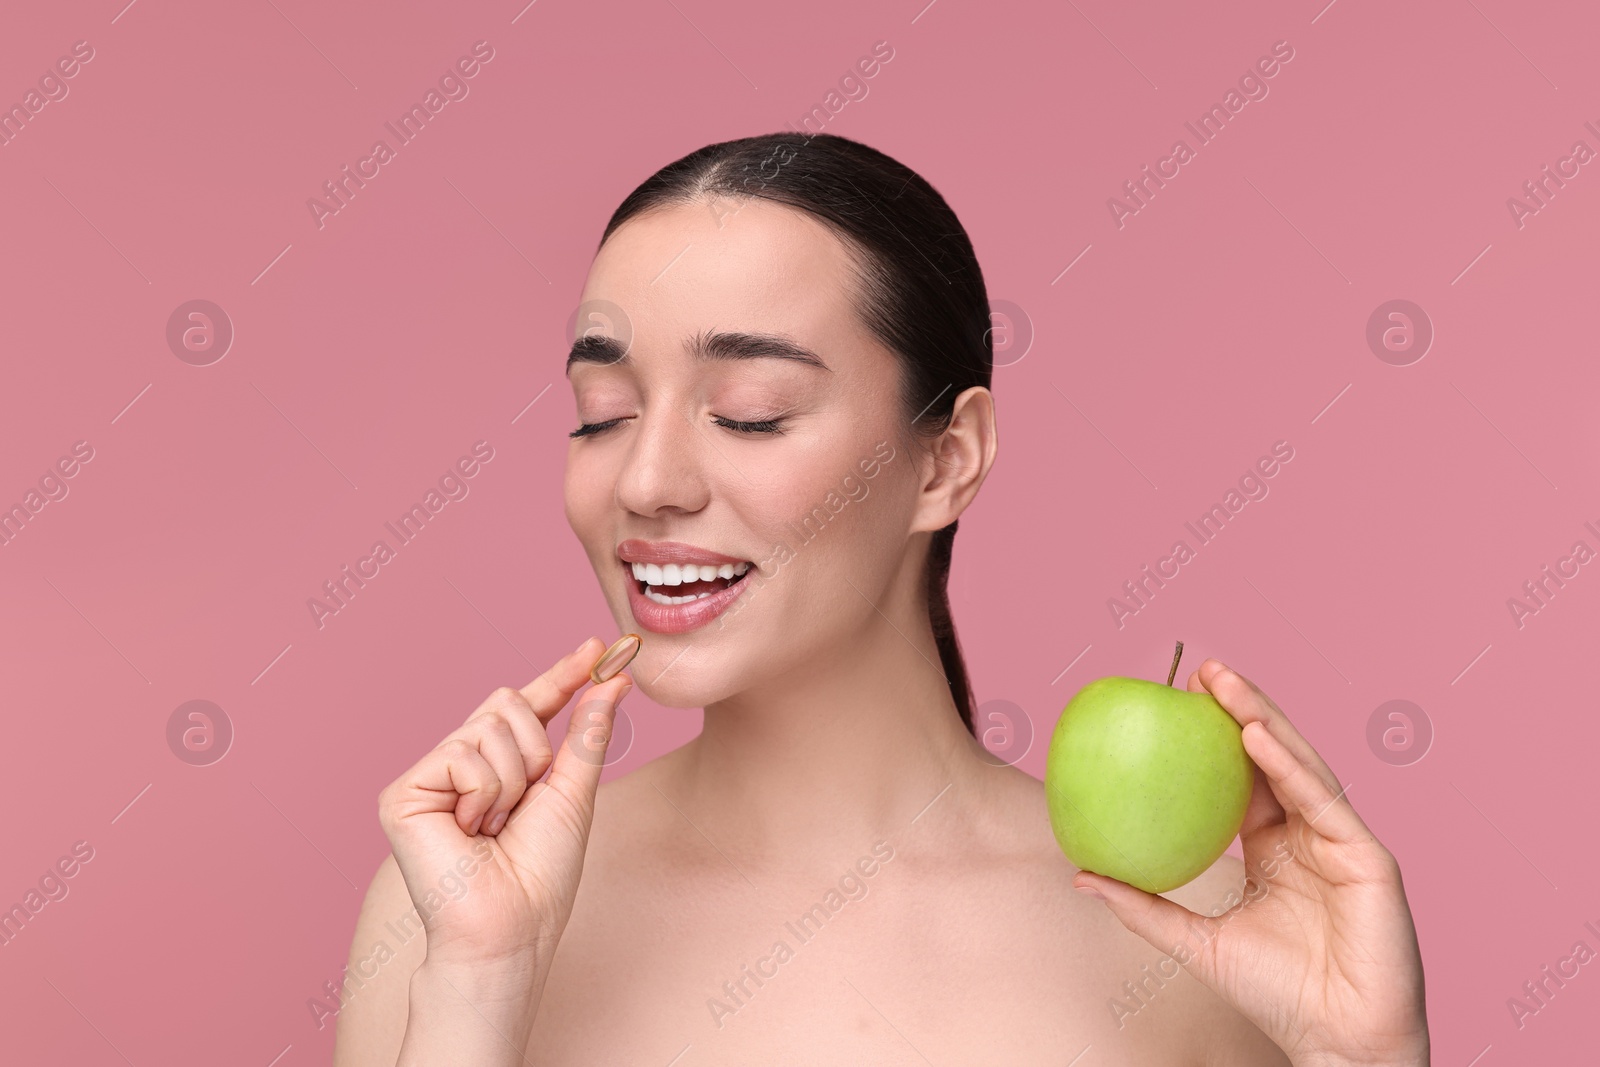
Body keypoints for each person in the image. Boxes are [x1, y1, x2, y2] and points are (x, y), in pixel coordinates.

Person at [334, 133, 1430, 1065]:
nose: (644, 481)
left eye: (752, 411)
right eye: (602, 410)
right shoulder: (456, 915)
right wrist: (475, 994)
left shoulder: (1195, 933)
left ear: (946, 459)